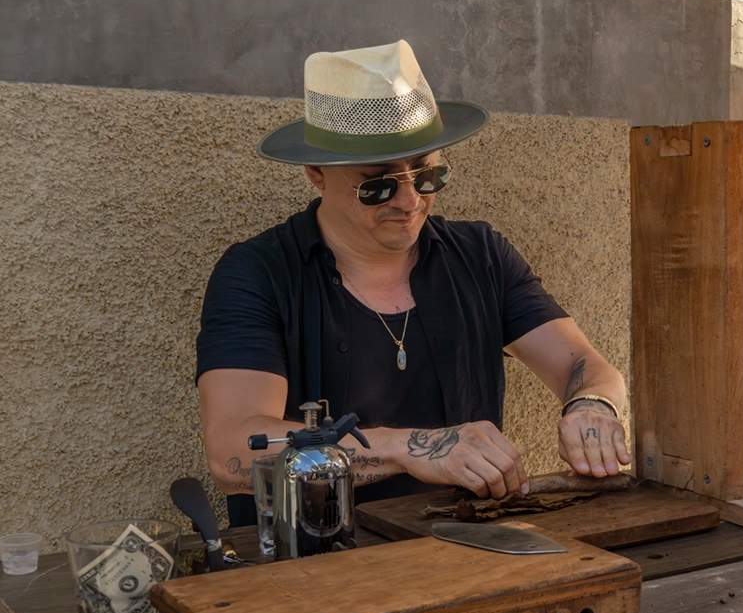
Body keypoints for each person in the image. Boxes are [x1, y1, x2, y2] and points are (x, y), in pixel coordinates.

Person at [197, 40, 629, 525]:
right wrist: (411, 449)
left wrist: (592, 407)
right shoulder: (258, 273)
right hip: (315, 564)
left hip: (468, 544)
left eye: (427, 175)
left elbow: (582, 364)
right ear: (316, 172)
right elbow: (232, 450)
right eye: (377, 184)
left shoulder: (480, 255)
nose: (409, 201)